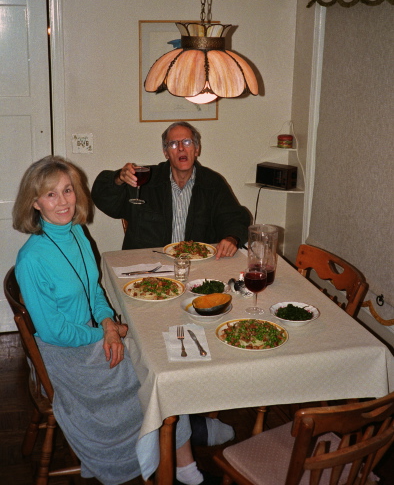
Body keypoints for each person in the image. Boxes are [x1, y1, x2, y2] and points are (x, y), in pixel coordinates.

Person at [12, 155, 209, 485]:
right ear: (34, 203)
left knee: (163, 348)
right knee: (159, 369)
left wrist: (107, 324)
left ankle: (185, 443)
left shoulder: (76, 232)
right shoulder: (31, 259)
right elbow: (53, 331)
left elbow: (95, 292)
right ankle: (182, 445)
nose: (63, 201)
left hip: (93, 335)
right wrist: (106, 335)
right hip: (65, 354)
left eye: (68, 190)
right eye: (51, 194)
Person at [92, 121, 250, 258]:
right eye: (173, 144)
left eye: (187, 142)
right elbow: (103, 198)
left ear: (196, 149)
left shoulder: (212, 183)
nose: (181, 148)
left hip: (197, 266)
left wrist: (232, 238)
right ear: (166, 153)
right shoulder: (145, 179)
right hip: (149, 267)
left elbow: (234, 218)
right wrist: (118, 178)